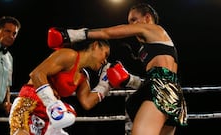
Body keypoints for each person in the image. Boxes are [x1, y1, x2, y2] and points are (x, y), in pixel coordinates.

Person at [48, 2, 188, 135]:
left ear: (147, 18)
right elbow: (157, 76)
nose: (131, 25)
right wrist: (128, 80)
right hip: (172, 92)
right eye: (129, 22)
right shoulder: (148, 48)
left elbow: (108, 33)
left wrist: (71, 35)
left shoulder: (154, 29)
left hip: (161, 88)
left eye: (134, 20)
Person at [9, 39, 114, 135]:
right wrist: (52, 104)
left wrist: (105, 84)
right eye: (105, 54)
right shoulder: (69, 55)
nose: (105, 61)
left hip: (49, 115)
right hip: (30, 103)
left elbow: (87, 102)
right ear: (95, 45)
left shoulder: (83, 76)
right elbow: (36, 74)